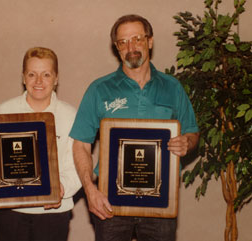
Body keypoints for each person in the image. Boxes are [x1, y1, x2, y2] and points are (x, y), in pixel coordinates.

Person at [69, 14, 200, 241]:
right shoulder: (99, 89)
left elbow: (193, 132)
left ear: (149, 41)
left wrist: (187, 142)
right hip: (109, 203)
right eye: (123, 42)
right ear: (117, 48)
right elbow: (81, 143)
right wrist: (90, 191)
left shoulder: (173, 87)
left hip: (161, 202)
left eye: (137, 38)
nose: (131, 47)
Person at [0, 47, 81, 241]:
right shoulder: (3, 112)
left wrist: (60, 187)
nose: (39, 81)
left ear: (56, 78)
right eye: (32, 74)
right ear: (23, 78)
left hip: (54, 213)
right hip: (10, 211)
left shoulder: (71, 116)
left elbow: (79, 165)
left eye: (46, 74)